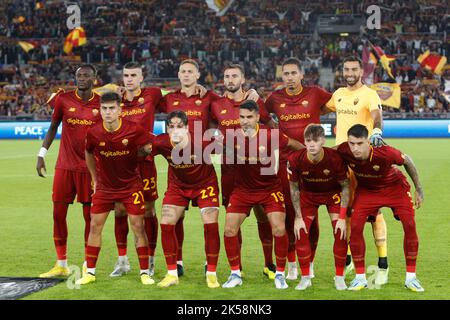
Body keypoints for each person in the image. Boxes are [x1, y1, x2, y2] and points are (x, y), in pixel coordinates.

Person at [158, 59, 259, 276]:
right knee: (176, 217)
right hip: (177, 168)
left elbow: (231, 102)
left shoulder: (209, 98)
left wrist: (252, 93)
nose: (186, 75)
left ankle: (209, 264)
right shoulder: (169, 99)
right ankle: (178, 261)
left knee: (209, 218)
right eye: (183, 71)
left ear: (197, 75)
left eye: (190, 72)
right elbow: (143, 101)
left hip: (202, 164)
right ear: (178, 74)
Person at [221, 100, 303, 289]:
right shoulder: (231, 136)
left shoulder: (270, 135)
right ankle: (235, 274)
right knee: (229, 229)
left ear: (258, 117)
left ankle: (280, 274)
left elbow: (292, 144)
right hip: (242, 191)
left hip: (269, 190)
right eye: (242, 117)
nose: (245, 121)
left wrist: (309, 157)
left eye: (249, 117)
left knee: (279, 229)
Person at [76, 91, 154, 285]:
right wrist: (95, 179)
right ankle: (90, 273)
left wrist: (144, 152)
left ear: (120, 110)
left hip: (131, 187)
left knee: (138, 226)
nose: (108, 112)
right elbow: (88, 153)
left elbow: (150, 146)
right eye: (104, 108)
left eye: (112, 108)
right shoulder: (93, 132)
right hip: (105, 188)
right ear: (100, 110)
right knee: (95, 226)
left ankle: (144, 272)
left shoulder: (134, 130)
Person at [265, 57, 333, 280]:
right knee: (288, 215)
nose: (290, 78)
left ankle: (309, 262)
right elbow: (262, 116)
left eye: (294, 73)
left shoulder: (315, 93)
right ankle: (292, 261)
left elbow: (334, 104)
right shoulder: (275, 98)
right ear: (281, 76)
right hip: (285, 165)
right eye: (286, 74)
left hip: (311, 164)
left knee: (310, 216)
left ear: (302, 75)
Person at [325, 56, 389, 285]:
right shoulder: (338, 94)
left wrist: (378, 131)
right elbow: (320, 107)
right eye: (346, 69)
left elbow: (376, 115)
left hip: (364, 159)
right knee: (347, 211)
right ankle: (350, 258)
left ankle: (383, 260)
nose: (349, 72)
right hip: (342, 161)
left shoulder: (370, 94)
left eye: (353, 69)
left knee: (373, 212)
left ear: (361, 71)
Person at [337, 124, 424, 292]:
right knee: (355, 227)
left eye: (359, 143)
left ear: (368, 142)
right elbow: (326, 154)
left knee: (409, 225)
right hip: (368, 191)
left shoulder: (384, 151)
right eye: (351, 143)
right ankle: (360, 277)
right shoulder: (343, 150)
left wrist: (419, 189)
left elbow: (408, 161)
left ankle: (411, 278)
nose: (355, 148)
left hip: (394, 187)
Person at [210, 63, 276, 279]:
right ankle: (236, 269)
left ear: (243, 79)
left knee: (263, 217)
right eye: (227, 76)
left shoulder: (255, 103)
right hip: (231, 172)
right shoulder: (216, 104)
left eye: (234, 76)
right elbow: (209, 127)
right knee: (232, 221)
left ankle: (269, 264)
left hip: (258, 169)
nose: (230, 80)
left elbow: (271, 126)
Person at [37, 64, 101, 278]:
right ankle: (61, 264)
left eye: (86, 76)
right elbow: (53, 127)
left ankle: (87, 264)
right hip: (64, 166)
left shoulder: (102, 104)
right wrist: (41, 154)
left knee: (89, 218)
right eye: (78, 76)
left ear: (94, 78)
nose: (81, 79)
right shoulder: (63, 100)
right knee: (57, 214)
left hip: (89, 169)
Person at [153, 110, 221, 288]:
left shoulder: (203, 142)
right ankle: (171, 274)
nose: (175, 130)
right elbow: (141, 152)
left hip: (205, 185)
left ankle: (212, 273)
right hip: (178, 187)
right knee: (166, 223)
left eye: (180, 126)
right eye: (172, 127)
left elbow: (230, 148)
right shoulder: (161, 142)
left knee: (210, 223)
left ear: (187, 128)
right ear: (167, 129)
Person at [108, 62, 163, 278]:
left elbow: (176, 95)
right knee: (120, 210)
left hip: (145, 162)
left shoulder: (153, 94)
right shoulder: (116, 100)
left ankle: (150, 260)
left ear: (141, 78)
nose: (129, 79)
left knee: (148, 210)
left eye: (133, 75)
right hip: (121, 164)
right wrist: (110, 89)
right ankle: (122, 261)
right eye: (126, 75)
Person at [288, 124, 349, 291]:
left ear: (323, 140)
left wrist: (343, 218)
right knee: (300, 232)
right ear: (304, 141)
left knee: (340, 232)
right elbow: (293, 187)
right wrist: (298, 217)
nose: (312, 144)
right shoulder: (295, 159)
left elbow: (345, 186)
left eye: (316, 140)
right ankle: (306, 277)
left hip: (332, 195)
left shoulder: (335, 158)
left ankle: (339, 277)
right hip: (308, 197)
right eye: (308, 141)